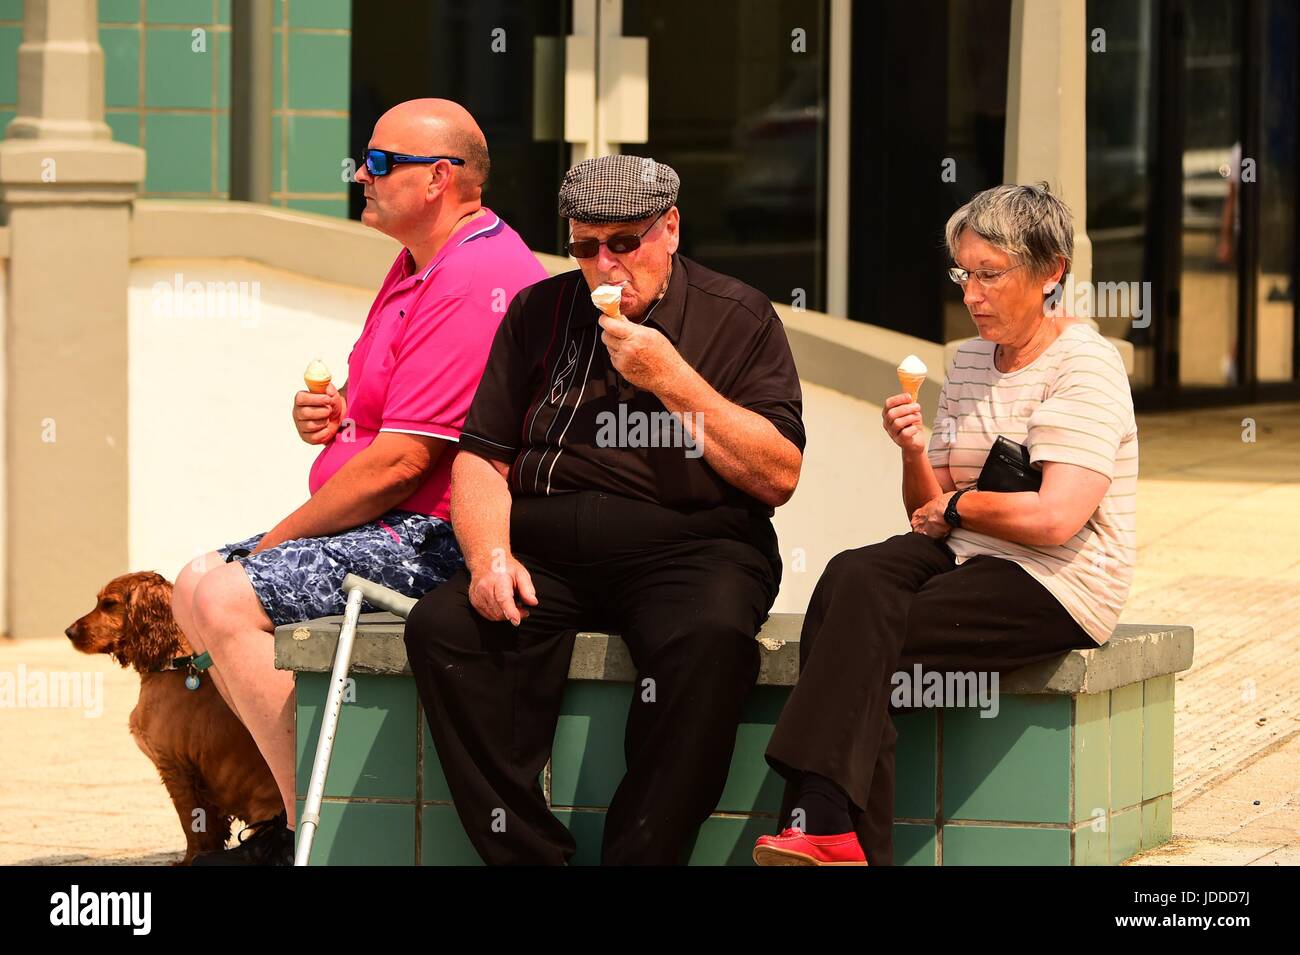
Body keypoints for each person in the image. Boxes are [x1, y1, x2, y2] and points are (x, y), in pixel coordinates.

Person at [170, 99, 547, 865]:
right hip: (385, 521)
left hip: (439, 534)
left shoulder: (478, 274)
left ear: (439, 178)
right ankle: (286, 814)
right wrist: (335, 415)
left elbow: (406, 462)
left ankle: (320, 829)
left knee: (225, 593)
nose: (360, 175)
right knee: (191, 582)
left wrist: (274, 543)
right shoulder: (417, 259)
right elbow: (382, 419)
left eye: (379, 162)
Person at [403, 154, 806, 865]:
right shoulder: (539, 311)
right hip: (548, 545)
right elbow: (480, 459)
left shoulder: (738, 315)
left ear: (671, 228)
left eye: (625, 242)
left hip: (694, 544)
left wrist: (671, 378)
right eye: (585, 246)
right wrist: (488, 555)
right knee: (445, 627)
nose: (605, 264)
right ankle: (529, 855)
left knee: (710, 643)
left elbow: (778, 474)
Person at [753, 182, 1138, 866]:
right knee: (849, 577)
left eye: (992, 275)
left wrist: (958, 506)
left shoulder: (1086, 365)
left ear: (1051, 272)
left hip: (1056, 578)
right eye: (965, 273)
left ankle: (825, 822)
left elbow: (1055, 516)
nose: (973, 293)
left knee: (868, 632)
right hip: (963, 552)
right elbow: (925, 511)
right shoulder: (965, 358)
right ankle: (831, 829)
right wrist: (910, 449)